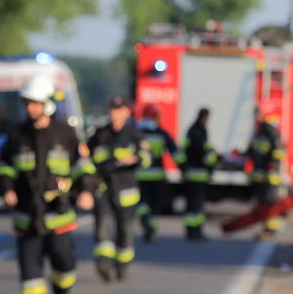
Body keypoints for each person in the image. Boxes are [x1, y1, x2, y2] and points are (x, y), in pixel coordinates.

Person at [0, 75, 96, 294]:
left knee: (64, 261)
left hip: (58, 215)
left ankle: (62, 293)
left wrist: (85, 191)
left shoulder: (65, 133)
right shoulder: (17, 135)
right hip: (26, 214)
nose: (30, 108)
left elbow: (82, 166)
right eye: (27, 103)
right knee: (30, 267)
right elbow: (5, 166)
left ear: (47, 104)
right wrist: (7, 188)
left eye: (35, 103)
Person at [88, 97, 147, 282]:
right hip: (104, 189)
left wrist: (136, 158)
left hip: (127, 191)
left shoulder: (134, 135)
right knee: (103, 227)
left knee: (125, 231)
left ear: (126, 113)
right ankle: (103, 263)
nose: (115, 113)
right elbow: (89, 157)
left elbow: (147, 158)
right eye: (113, 109)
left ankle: (122, 264)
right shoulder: (99, 134)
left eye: (119, 110)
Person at [135, 103, 178, 241]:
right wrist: (185, 168)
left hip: (139, 175)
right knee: (155, 204)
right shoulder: (161, 133)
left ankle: (145, 220)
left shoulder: (135, 132)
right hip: (157, 176)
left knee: (141, 203)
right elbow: (176, 153)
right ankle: (151, 227)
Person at [176, 107, 217, 240]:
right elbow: (204, 154)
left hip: (190, 173)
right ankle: (196, 232)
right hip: (199, 174)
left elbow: (184, 150)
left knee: (190, 205)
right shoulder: (200, 131)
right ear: (204, 117)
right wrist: (214, 160)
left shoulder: (191, 130)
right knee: (197, 206)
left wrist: (183, 168)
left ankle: (190, 231)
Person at [247, 107, 285, 238]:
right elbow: (254, 150)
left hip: (270, 175)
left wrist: (272, 168)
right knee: (263, 201)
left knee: (270, 202)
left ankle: (271, 229)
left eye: (258, 114)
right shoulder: (260, 131)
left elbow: (278, 151)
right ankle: (266, 228)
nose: (256, 116)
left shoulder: (269, 131)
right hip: (262, 174)